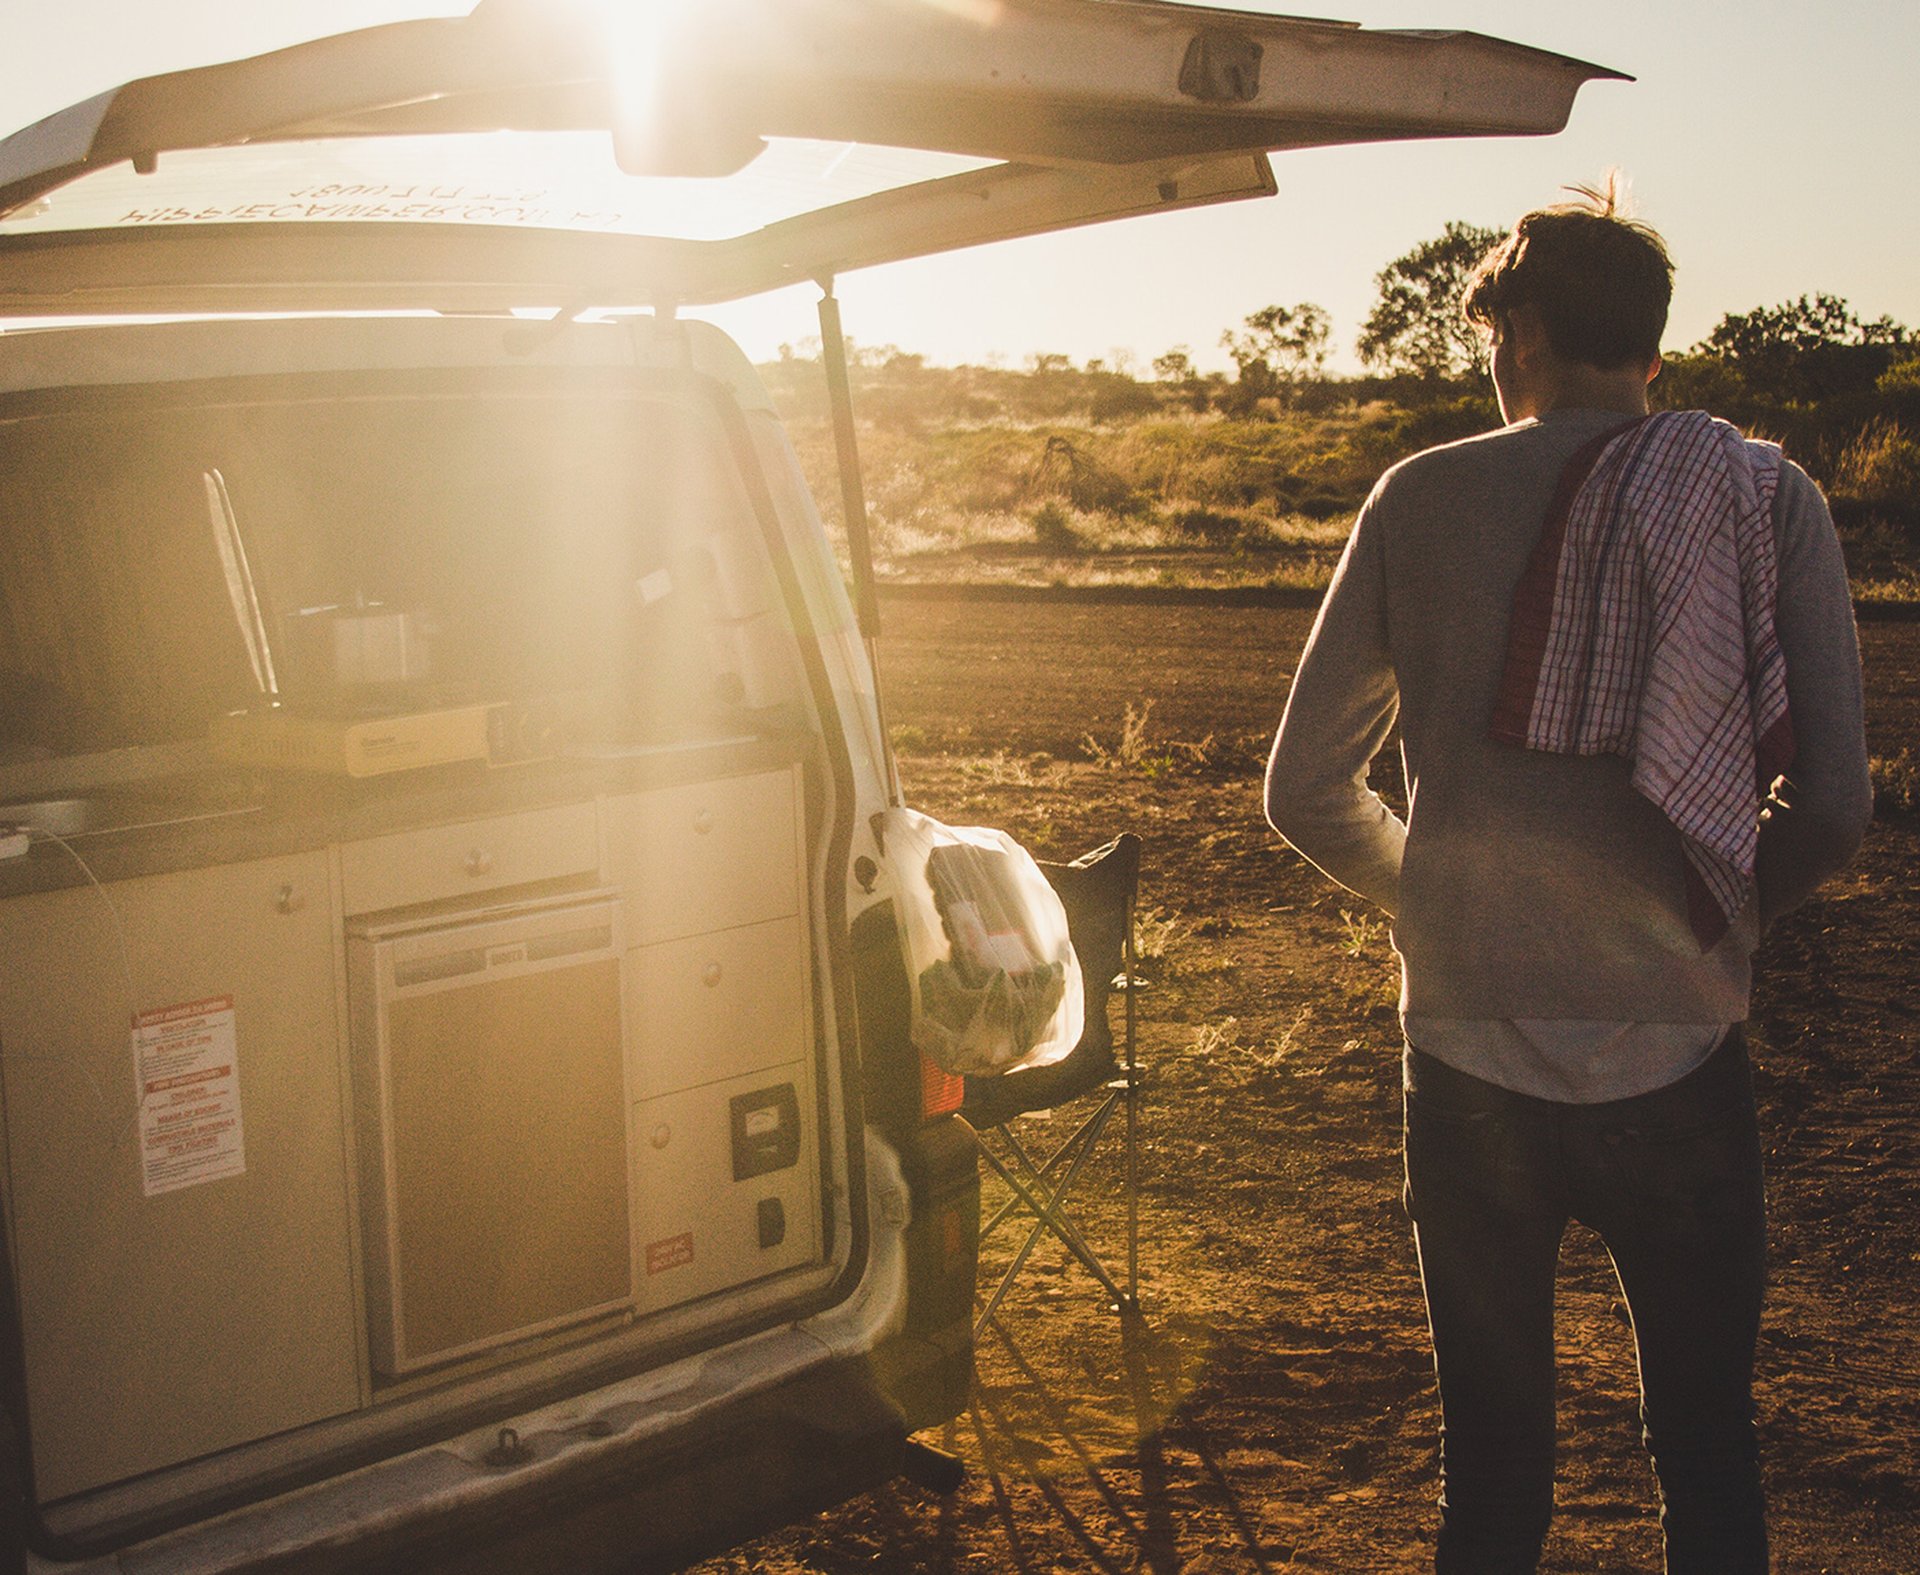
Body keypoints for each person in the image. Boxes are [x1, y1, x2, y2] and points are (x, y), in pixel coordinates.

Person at [1263, 185, 1872, 1574]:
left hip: (1469, 1051)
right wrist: (1708, 925)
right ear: (1651, 346)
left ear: (1519, 335)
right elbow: (1832, 805)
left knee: (1491, 1471)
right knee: (1710, 1455)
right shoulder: (1763, 497)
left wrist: (1442, 902)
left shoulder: (1420, 498)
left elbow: (1306, 791)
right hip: (1681, 1044)